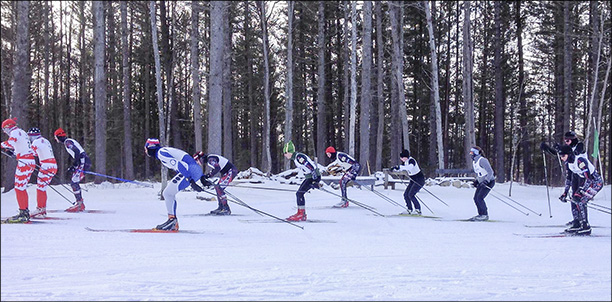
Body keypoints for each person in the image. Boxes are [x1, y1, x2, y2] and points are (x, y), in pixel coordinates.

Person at [144, 138, 204, 231]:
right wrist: (202, 177)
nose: (145, 151)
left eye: (146, 148)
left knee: (168, 193)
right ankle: (172, 221)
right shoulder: (164, 151)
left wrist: (189, 179)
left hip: (189, 171)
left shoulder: (161, 153)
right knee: (168, 193)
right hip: (192, 170)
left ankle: (172, 221)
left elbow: (179, 165)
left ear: (150, 148)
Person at [540, 131, 587, 226]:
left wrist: (560, 148)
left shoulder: (580, 145)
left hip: (582, 174)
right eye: (565, 140)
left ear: (573, 139)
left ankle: (583, 220)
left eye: (568, 140)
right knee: (573, 196)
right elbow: (559, 154)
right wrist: (547, 148)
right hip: (574, 173)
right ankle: (576, 219)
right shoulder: (568, 147)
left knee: (579, 197)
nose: (566, 142)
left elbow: (575, 153)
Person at [558, 145, 602, 235]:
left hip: (596, 182)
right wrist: (565, 193)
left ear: (569, 154)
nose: (561, 158)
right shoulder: (569, 164)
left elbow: (588, 179)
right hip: (587, 183)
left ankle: (586, 227)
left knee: (581, 201)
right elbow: (569, 179)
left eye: (563, 156)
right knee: (574, 199)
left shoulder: (579, 161)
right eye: (560, 156)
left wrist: (580, 192)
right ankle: (577, 223)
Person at [1, 118, 36, 223]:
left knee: (19, 188)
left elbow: (10, 143)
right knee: (21, 187)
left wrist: (2, 145)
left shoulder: (15, 132)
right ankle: (24, 211)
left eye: (5, 129)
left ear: (9, 127)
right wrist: (13, 152)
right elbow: (20, 146)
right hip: (27, 160)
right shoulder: (22, 132)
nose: (4, 132)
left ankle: (23, 213)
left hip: (24, 162)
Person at [54, 128, 91, 212]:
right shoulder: (68, 142)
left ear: (59, 136)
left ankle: (80, 204)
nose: (55, 139)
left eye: (56, 137)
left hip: (83, 160)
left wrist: (75, 165)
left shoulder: (68, 142)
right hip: (83, 160)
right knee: (74, 181)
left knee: (74, 182)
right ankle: (79, 203)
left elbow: (77, 152)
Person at [283, 140, 321, 221]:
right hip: (310, 177)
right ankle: (301, 213)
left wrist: (315, 180)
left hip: (313, 176)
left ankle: (301, 214)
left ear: (290, 152)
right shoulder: (296, 157)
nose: (284, 155)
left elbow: (311, 167)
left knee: (299, 194)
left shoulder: (299, 157)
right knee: (299, 193)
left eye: (285, 153)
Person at [28, 127, 58, 218]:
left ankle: (40, 209)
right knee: (42, 187)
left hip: (46, 165)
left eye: (29, 136)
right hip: (52, 165)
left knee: (40, 187)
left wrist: (16, 153)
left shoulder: (36, 142)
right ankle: (42, 209)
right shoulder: (45, 140)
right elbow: (37, 153)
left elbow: (30, 152)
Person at [391, 149, 424, 215]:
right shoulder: (405, 162)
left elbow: (409, 167)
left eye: (402, 158)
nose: (401, 159)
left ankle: (418, 210)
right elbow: (403, 168)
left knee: (411, 194)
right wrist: (395, 169)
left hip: (419, 180)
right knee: (406, 194)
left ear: (405, 157)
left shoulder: (412, 160)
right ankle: (409, 209)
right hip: (413, 180)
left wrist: (400, 167)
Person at [469, 146, 495, 221]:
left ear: (476, 153)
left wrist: (486, 181)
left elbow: (490, 172)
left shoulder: (482, 160)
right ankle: (481, 214)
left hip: (489, 181)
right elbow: (480, 173)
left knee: (480, 198)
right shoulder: (474, 162)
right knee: (476, 198)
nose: (470, 154)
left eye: (472, 153)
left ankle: (484, 215)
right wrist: (477, 181)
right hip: (482, 182)